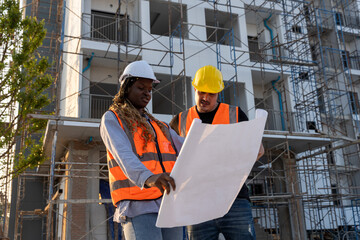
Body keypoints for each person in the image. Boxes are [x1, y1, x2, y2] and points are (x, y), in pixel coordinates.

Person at [170, 65, 264, 240]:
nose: (205, 98)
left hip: (234, 199)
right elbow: (169, 157)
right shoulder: (180, 120)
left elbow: (257, 150)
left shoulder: (235, 115)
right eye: (201, 93)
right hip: (197, 203)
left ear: (219, 93)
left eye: (211, 94)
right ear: (195, 89)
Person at [100, 60, 184, 240]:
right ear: (126, 88)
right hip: (138, 205)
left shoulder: (159, 126)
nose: (147, 93)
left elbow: (187, 148)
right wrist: (148, 178)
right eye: (141, 87)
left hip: (168, 204)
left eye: (150, 89)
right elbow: (124, 156)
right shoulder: (113, 119)